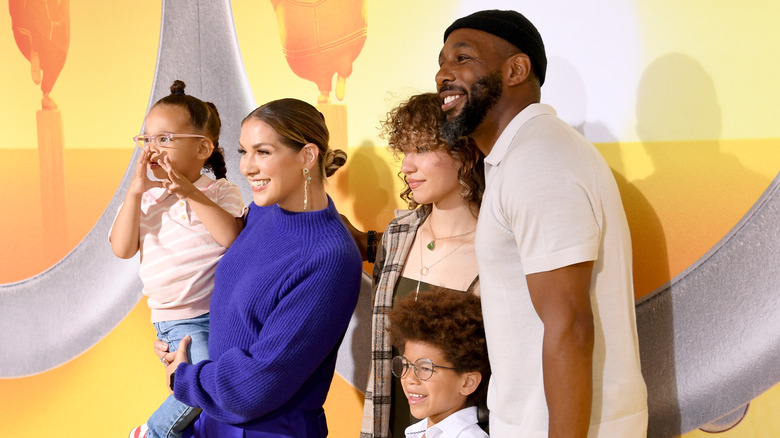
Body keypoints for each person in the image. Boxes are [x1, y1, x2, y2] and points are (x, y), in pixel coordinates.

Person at [436, 9, 648, 437]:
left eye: (462, 58)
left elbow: (569, 325)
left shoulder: (538, 160)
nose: (443, 74)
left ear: (516, 69)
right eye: (441, 63)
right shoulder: (521, 155)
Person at [154, 98, 363, 438]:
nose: (247, 167)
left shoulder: (329, 256)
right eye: (243, 152)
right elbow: (240, 307)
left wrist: (186, 378)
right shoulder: (264, 211)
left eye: (263, 152)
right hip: (217, 419)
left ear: (307, 156)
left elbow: (260, 382)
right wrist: (185, 350)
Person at [110, 80, 244, 438]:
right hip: (178, 320)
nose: (153, 149)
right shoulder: (149, 200)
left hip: (219, 316)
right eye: (147, 139)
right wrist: (136, 191)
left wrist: (189, 193)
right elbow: (122, 248)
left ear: (202, 148)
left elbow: (230, 236)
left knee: (218, 390)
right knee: (201, 386)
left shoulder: (219, 192)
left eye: (165, 139)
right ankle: (154, 433)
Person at [359, 92, 485, 438]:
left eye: (423, 149)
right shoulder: (399, 234)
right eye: (404, 150)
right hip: (389, 418)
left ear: (466, 153)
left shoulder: (496, 247)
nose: (406, 166)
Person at [387, 290, 490, 438]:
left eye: (425, 368)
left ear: (468, 382)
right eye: (406, 365)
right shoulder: (417, 432)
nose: (409, 378)